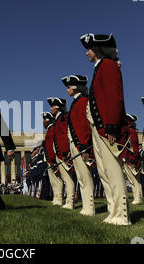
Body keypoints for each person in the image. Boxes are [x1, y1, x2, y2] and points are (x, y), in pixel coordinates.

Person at [80, 33, 131, 225]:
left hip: (106, 128)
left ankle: (122, 215)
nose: (86, 53)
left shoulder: (108, 66)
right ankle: (113, 211)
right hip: (99, 128)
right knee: (104, 172)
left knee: (113, 172)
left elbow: (113, 96)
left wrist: (111, 125)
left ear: (98, 50)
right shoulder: (100, 67)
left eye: (89, 49)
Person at [62, 74, 95, 215]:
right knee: (81, 177)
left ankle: (89, 207)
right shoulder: (77, 102)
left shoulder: (82, 102)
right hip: (76, 144)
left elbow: (84, 126)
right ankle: (86, 206)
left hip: (81, 144)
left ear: (75, 88)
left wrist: (84, 146)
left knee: (85, 176)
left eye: (69, 87)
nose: (67, 90)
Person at [47, 97, 75, 209]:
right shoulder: (58, 119)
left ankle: (70, 202)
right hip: (59, 153)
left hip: (62, 153)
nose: (51, 108)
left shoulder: (62, 119)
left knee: (68, 179)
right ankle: (67, 201)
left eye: (53, 106)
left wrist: (64, 152)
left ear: (57, 107)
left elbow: (63, 136)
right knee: (65, 179)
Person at [42, 111, 62, 205]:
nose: (43, 122)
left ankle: (59, 199)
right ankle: (56, 198)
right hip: (49, 159)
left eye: (44, 120)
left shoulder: (52, 129)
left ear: (48, 121)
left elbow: (52, 145)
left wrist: (52, 159)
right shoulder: (50, 130)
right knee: (53, 181)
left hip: (52, 158)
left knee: (57, 180)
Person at [123, 114, 143, 205]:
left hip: (132, 160)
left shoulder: (132, 132)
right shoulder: (129, 132)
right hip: (128, 159)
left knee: (135, 180)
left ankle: (138, 198)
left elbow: (134, 147)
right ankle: (137, 197)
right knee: (132, 180)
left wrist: (133, 160)